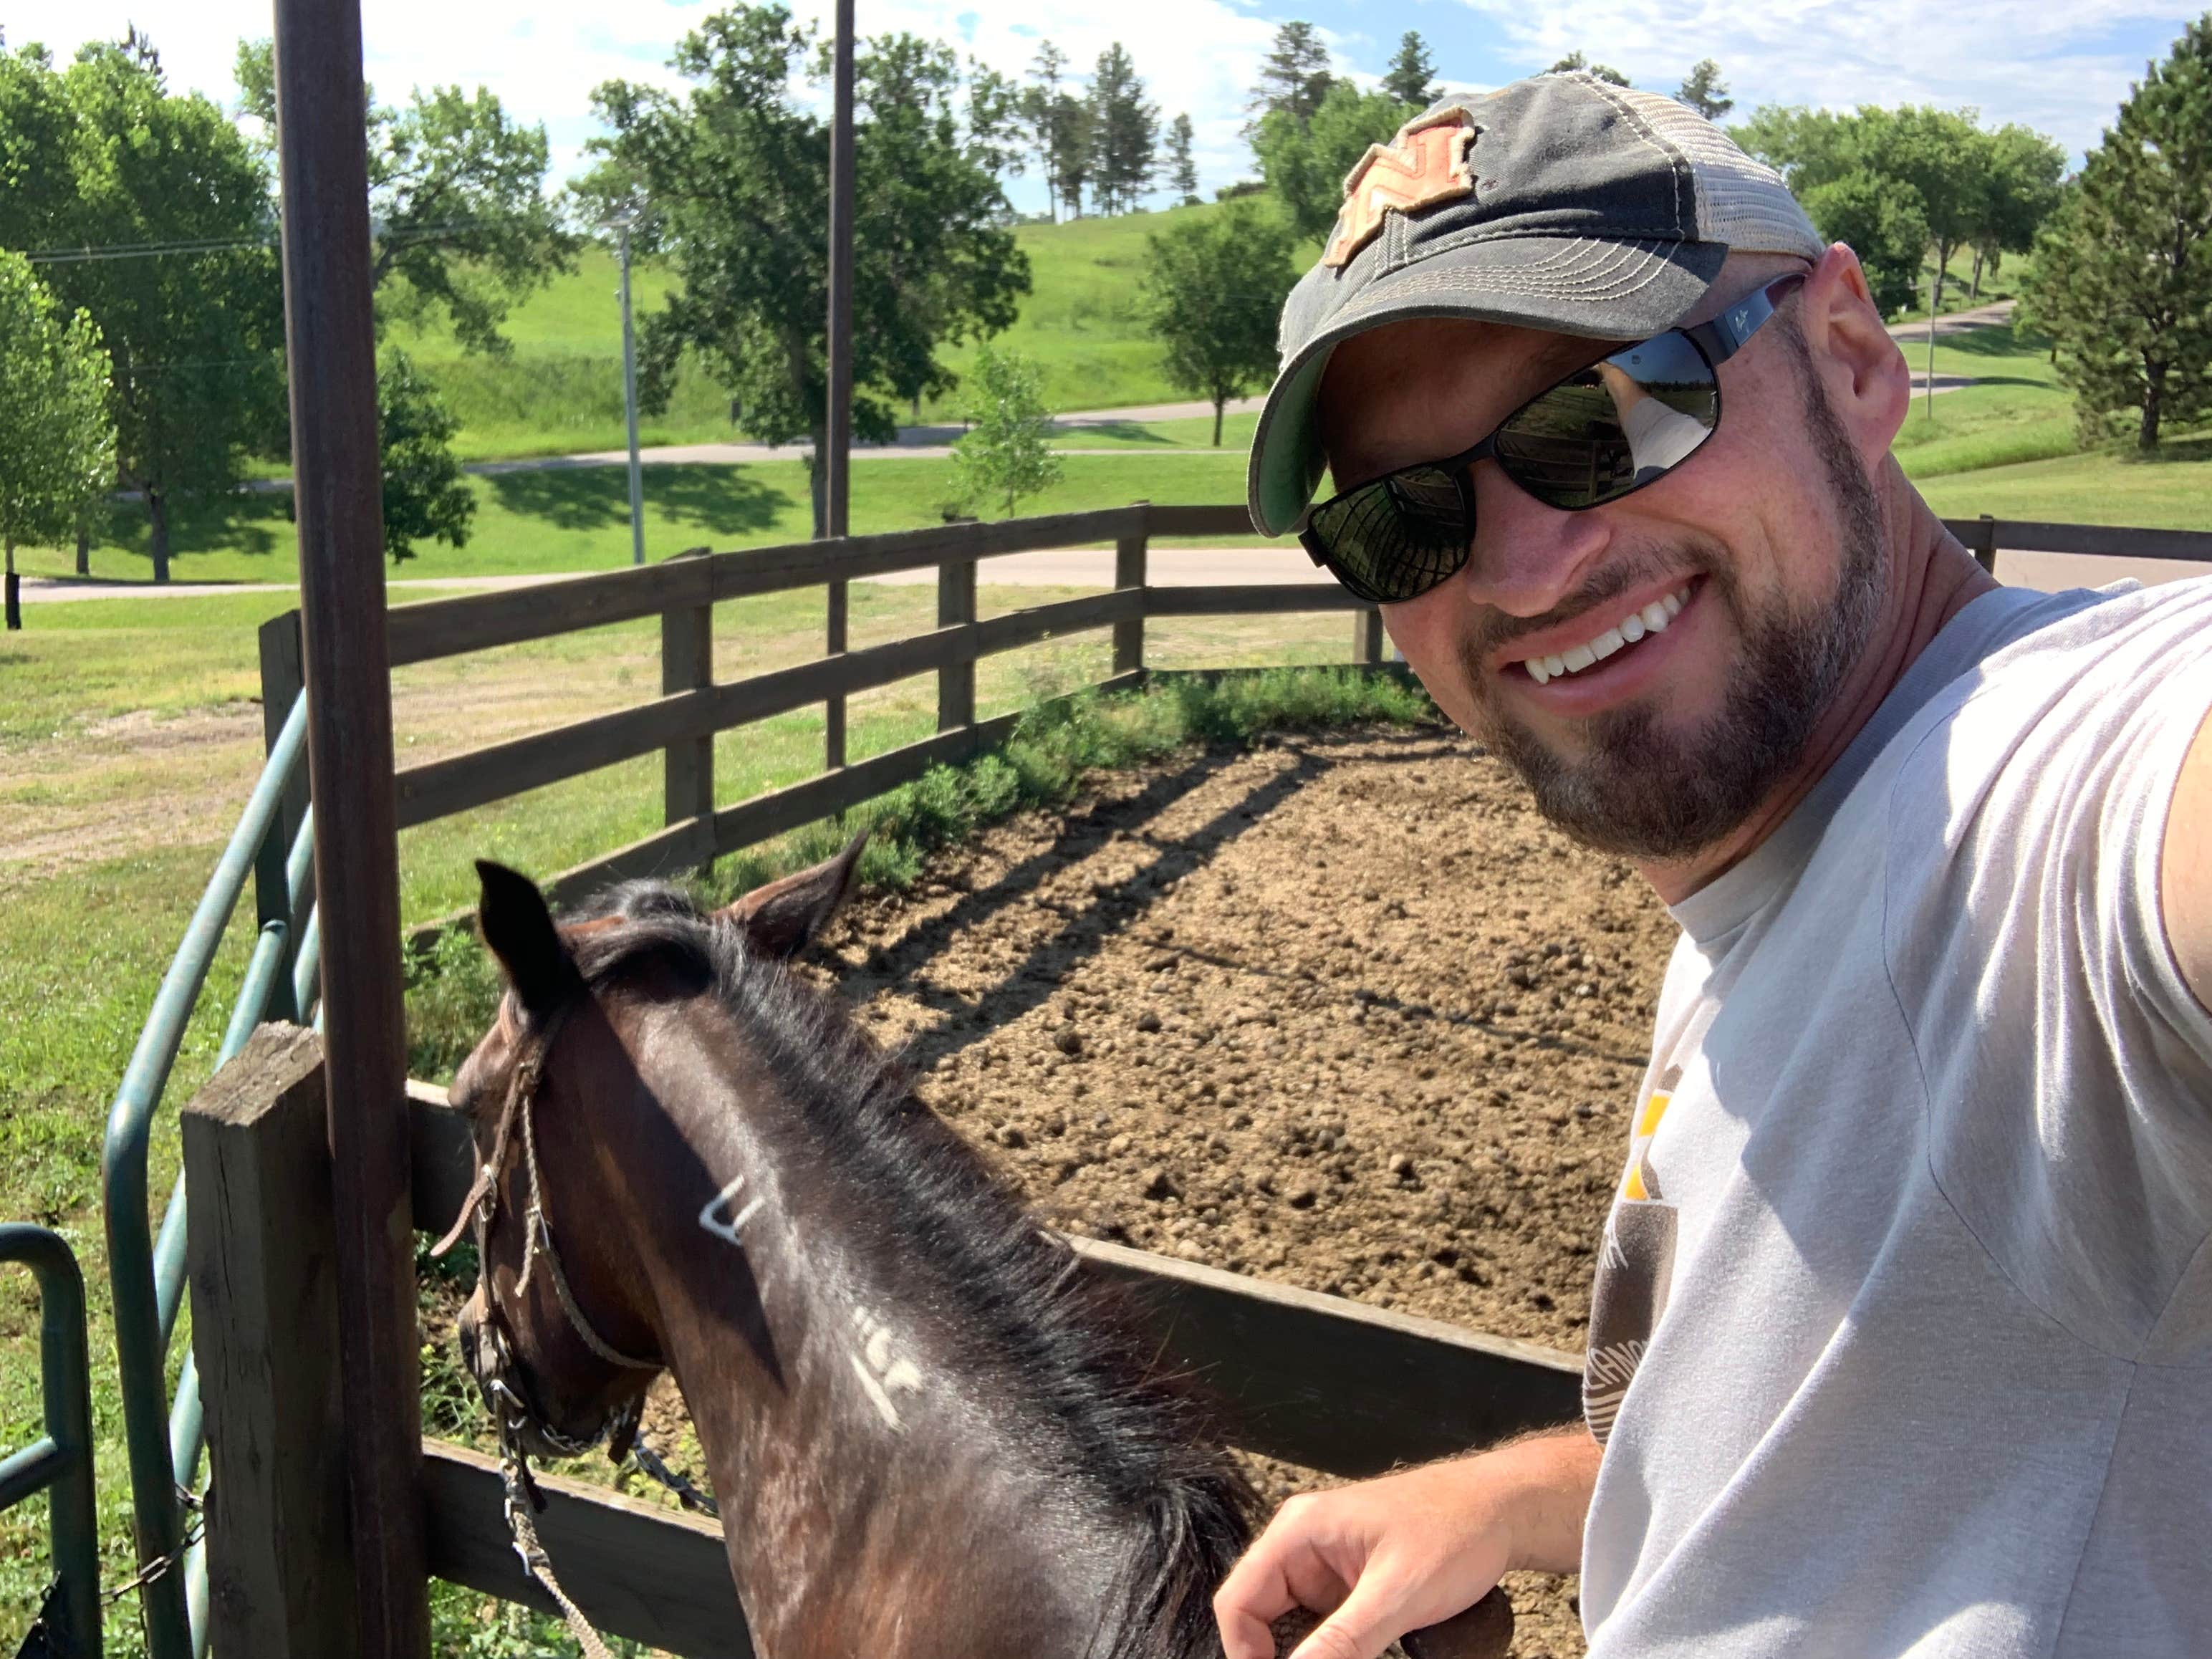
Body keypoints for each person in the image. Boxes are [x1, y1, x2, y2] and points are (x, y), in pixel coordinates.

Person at [1218, 71, 2212, 1659]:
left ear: (1849, 355)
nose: (1522, 568)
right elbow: (1910, 1397)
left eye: (1605, 416)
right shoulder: (1771, 880)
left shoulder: (2051, 788)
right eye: (1406, 521)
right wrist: (1539, 1499)